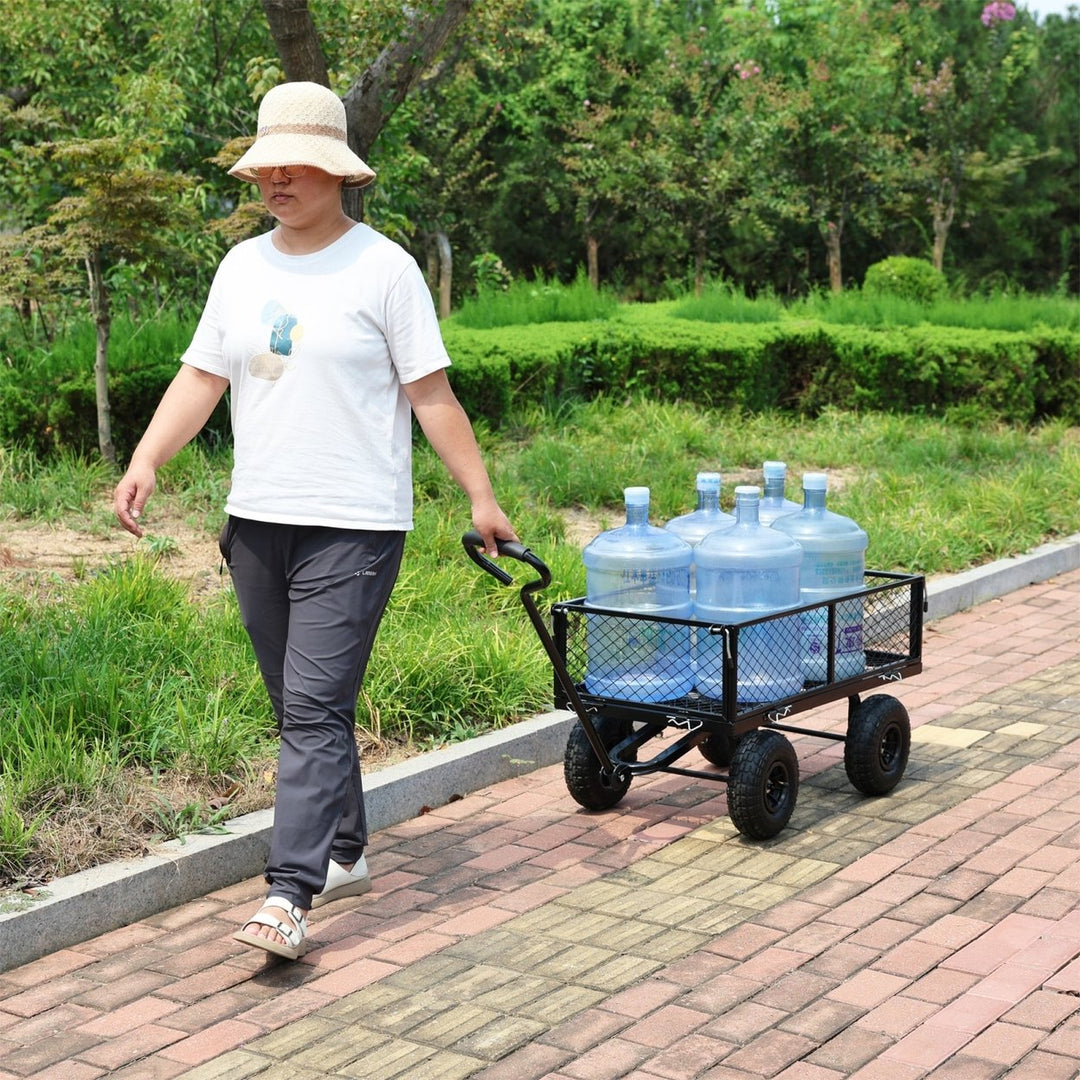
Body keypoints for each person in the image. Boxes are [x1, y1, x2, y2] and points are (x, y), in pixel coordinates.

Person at [114, 81, 517, 961]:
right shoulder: (241, 267)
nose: (277, 181)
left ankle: (291, 891)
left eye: (296, 166)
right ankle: (346, 848)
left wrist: (480, 495)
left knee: (310, 706)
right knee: (309, 708)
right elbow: (202, 376)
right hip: (256, 521)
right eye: (267, 166)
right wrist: (148, 457)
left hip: (356, 525)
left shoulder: (384, 268)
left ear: (338, 172)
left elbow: (431, 394)